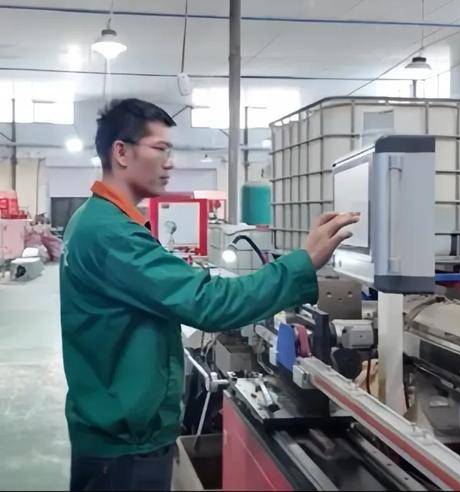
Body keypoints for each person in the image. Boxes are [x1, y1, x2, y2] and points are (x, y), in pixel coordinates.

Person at [60, 98, 359, 491]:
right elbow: (209, 302)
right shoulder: (110, 232)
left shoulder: (94, 219)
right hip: (124, 446)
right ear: (121, 152)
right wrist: (302, 263)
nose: (169, 163)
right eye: (160, 149)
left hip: (114, 428)